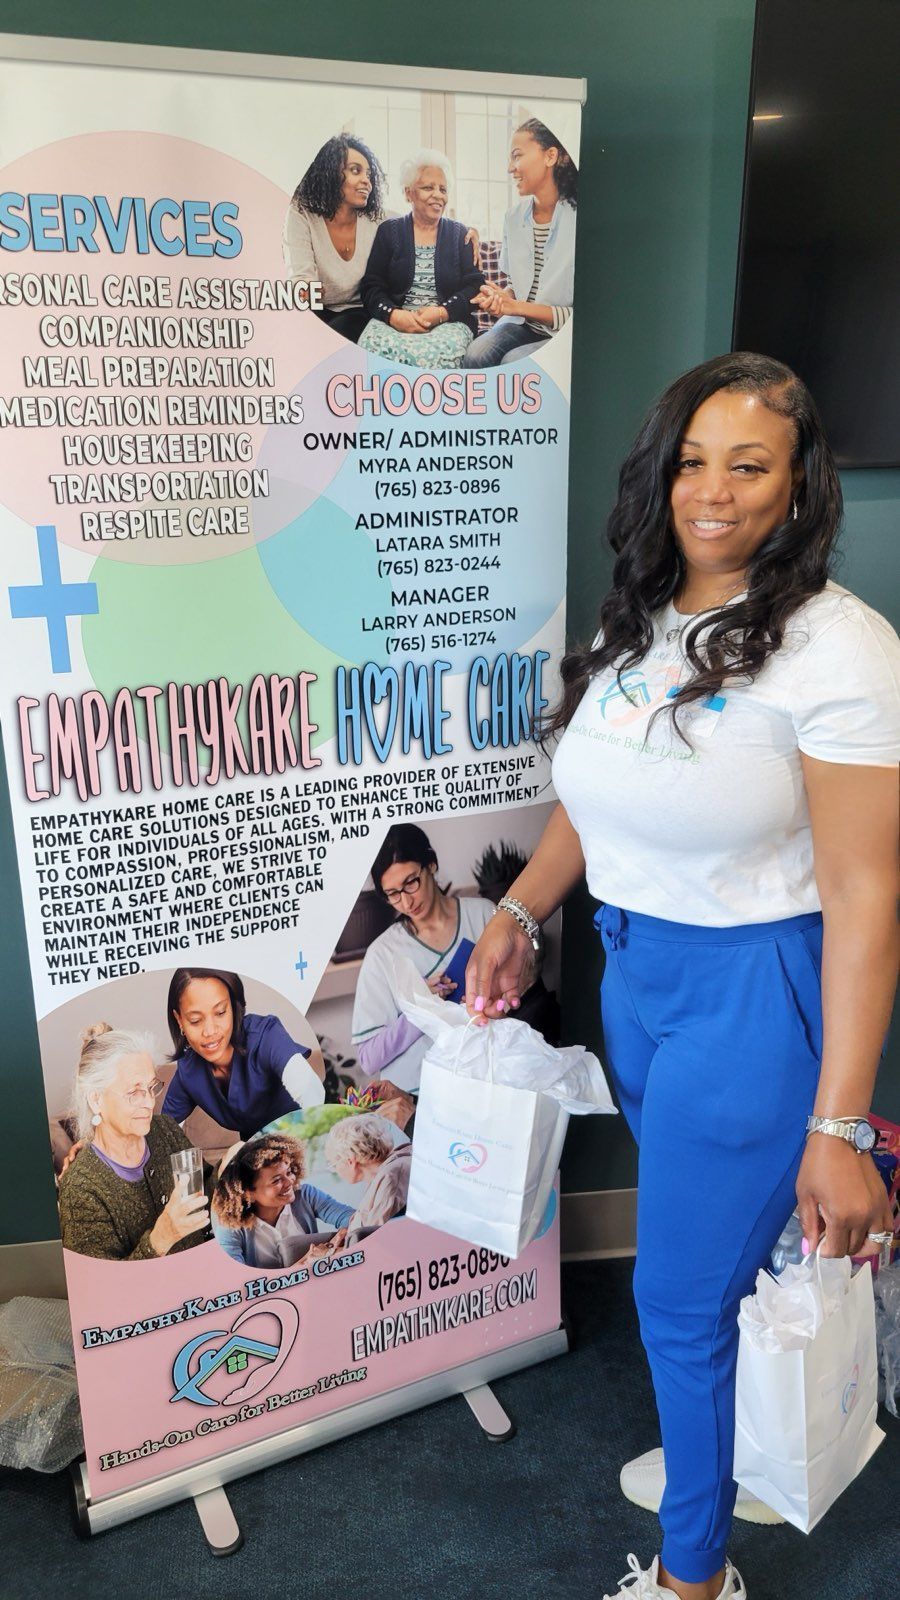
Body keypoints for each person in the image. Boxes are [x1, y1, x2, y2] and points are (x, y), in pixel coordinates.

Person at [463, 352, 900, 1600]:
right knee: (721, 1259)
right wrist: (524, 908)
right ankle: (739, 1446)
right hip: (635, 978)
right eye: (692, 461)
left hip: (755, 995)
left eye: (748, 465)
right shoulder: (643, 615)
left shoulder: (839, 651)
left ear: (800, 483)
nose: (712, 491)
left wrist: (841, 1122)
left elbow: (870, 895)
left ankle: (696, 1576)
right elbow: (601, 800)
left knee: (678, 1297)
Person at [351, 823, 496, 1093]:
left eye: (410, 882)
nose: (406, 902)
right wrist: (420, 1008)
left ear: (431, 865)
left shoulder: (485, 916)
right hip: (420, 1098)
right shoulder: (382, 954)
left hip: (487, 1083)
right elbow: (369, 1058)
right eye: (393, 894)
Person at [58, 1023, 211, 1261]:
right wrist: (162, 1237)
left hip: (207, 1283)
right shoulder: (81, 1189)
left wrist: (232, 1168)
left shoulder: (165, 1130)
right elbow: (101, 1290)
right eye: (134, 1092)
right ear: (96, 1100)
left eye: (151, 1088)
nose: (150, 1103)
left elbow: (207, 1188)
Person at [162, 968, 325, 1142]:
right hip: (255, 1161)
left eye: (220, 1012)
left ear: (233, 1007)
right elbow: (164, 1133)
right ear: (179, 1020)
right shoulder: (189, 1071)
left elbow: (310, 1091)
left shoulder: (265, 1036)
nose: (209, 1031)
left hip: (304, 1145)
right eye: (195, 1020)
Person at [464, 117, 577, 368]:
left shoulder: (579, 220)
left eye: (517, 156)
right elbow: (516, 286)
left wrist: (515, 306)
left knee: (513, 363)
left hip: (563, 332)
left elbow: (579, 313)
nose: (510, 168)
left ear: (550, 156)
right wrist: (501, 299)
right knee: (475, 354)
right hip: (523, 323)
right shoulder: (513, 218)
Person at [358, 150, 483, 368]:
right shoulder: (389, 231)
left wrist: (442, 312)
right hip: (397, 320)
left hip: (448, 322)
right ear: (409, 194)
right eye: (428, 187)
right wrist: (393, 315)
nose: (438, 195)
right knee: (369, 350)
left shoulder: (460, 234)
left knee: (433, 357)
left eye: (443, 189)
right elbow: (371, 286)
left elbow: (475, 286)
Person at [283, 134, 387, 344]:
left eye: (368, 174)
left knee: (333, 336)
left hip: (360, 312)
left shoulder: (376, 219)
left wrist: (467, 232)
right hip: (316, 310)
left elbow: (421, 224)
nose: (367, 181)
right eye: (355, 170)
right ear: (330, 173)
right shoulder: (300, 213)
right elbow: (302, 281)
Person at [211, 1132, 353, 1268]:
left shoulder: (305, 1195)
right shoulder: (231, 1227)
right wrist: (307, 1263)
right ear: (247, 1193)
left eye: (289, 1172)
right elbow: (235, 1279)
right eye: (276, 1180)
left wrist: (338, 1243)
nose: (289, 1182)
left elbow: (355, 1220)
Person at [325, 1112, 412, 1231]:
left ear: (350, 1161)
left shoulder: (390, 1178)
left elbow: (375, 1238)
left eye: (334, 1164)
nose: (336, 1170)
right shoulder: (383, 1175)